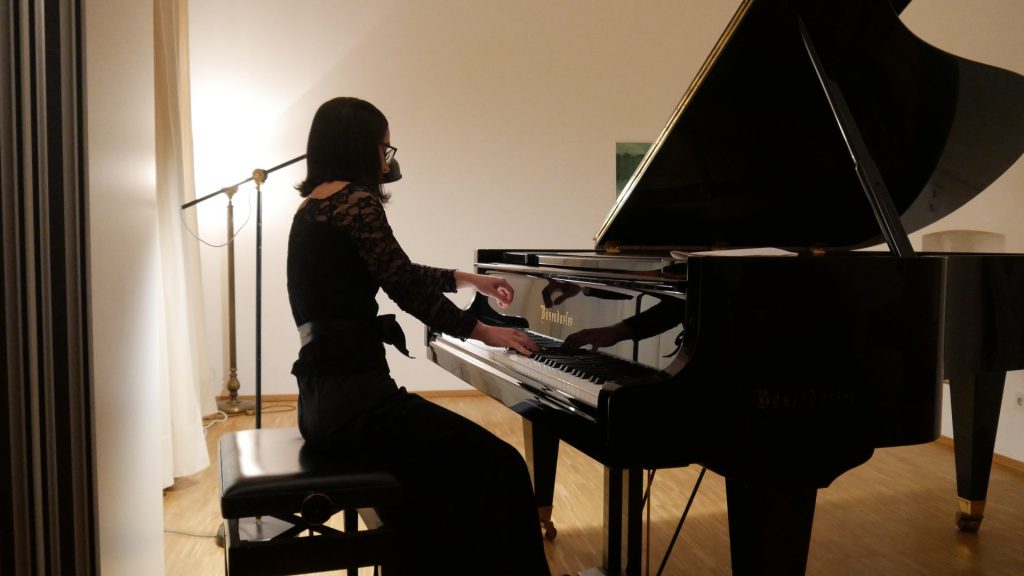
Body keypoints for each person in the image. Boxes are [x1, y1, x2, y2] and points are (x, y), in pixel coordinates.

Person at [286, 96, 551, 575]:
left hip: (322, 404)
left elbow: (393, 269)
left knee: (440, 488)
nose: (386, 160)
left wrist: (467, 280)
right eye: (383, 147)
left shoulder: (313, 207)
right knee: (503, 465)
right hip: (359, 407)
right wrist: (482, 331)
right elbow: (404, 286)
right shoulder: (356, 202)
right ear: (360, 146)